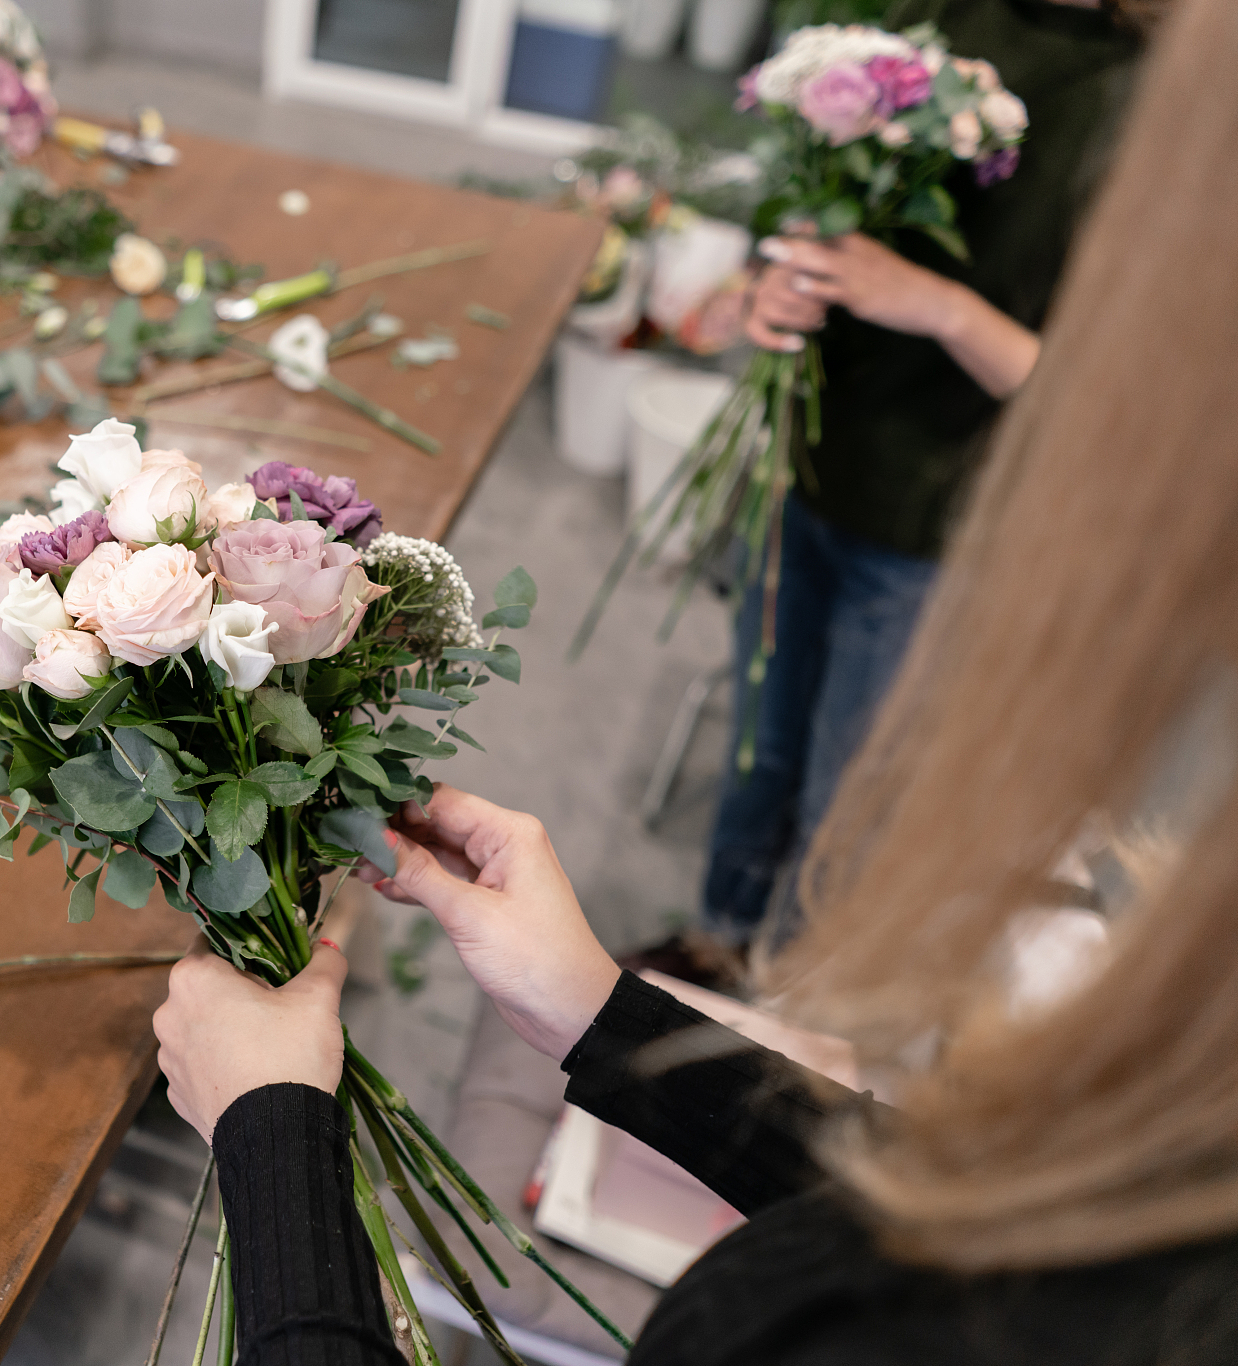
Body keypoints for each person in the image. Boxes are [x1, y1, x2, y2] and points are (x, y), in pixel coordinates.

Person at [152, 0, 1238, 1354]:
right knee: (772, 752)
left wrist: (273, 1154)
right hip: (825, 489)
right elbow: (933, 1220)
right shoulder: (1137, 1178)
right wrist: (599, 1012)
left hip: (911, 519)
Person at [649, 0, 1157, 982]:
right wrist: (781, 281)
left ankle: (787, 1007)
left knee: (852, 793)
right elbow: (824, 218)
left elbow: (1109, 404)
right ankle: (715, 949)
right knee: (761, 749)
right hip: (809, 462)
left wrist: (936, 307)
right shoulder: (926, 20)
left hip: (940, 525)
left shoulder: (1149, 100)